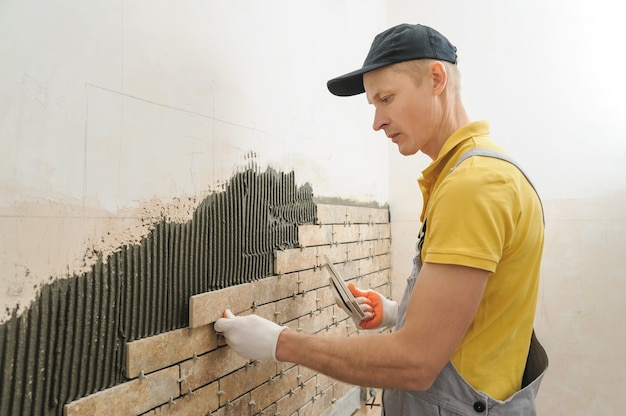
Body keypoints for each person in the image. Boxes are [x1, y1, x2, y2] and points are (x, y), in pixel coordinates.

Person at [215, 23, 548, 415]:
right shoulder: (477, 172)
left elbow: (415, 362)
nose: (377, 121)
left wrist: (279, 343)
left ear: (436, 79)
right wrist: (395, 313)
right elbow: (485, 310)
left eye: (386, 98)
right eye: (374, 104)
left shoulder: (473, 186)